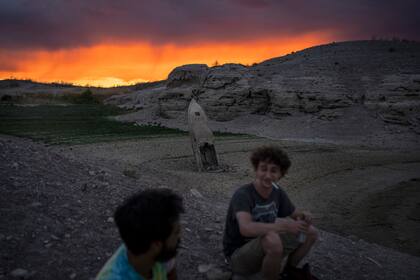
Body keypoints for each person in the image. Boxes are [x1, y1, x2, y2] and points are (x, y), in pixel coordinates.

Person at [223, 145, 318, 280]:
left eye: (274, 171)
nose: (267, 175)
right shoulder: (243, 194)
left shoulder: (277, 192)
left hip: (262, 245)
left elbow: (294, 213)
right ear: (256, 169)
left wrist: (304, 215)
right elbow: (246, 228)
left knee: (310, 232)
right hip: (239, 256)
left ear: (281, 174)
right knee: (272, 239)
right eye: (263, 169)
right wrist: (285, 226)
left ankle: (289, 270)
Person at [96, 188, 184, 280]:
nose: (180, 235)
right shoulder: (113, 277)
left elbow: (170, 273)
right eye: (176, 232)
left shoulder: (160, 251)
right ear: (156, 245)